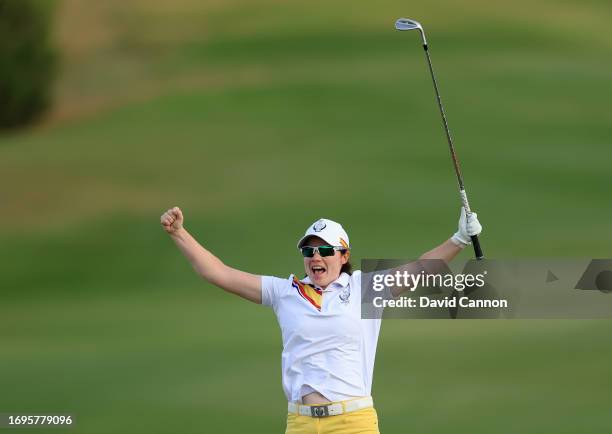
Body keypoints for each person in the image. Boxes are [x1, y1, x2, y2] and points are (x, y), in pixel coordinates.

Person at [160, 206, 482, 434]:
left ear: (343, 257)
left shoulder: (364, 288)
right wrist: (179, 233)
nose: (316, 257)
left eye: (326, 250)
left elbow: (422, 267)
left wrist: (459, 239)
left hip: (353, 423)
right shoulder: (284, 291)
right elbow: (218, 273)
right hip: (300, 424)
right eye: (310, 251)